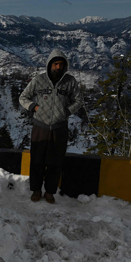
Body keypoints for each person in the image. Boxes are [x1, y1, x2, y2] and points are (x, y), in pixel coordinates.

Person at [19, 49, 82, 204]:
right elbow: (23, 97)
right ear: (49, 65)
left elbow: (78, 101)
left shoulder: (70, 82)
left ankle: (49, 191)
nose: (58, 67)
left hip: (59, 128)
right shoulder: (39, 80)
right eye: (55, 64)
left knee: (55, 162)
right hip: (40, 127)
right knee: (37, 161)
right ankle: (36, 190)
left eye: (61, 64)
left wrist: (66, 112)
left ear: (64, 66)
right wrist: (34, 107)